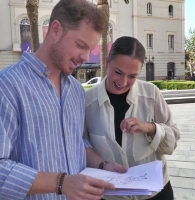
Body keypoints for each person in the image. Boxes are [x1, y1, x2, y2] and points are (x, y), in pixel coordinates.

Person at [0, 0, 127, 199]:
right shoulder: (7, 86)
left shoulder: (76, 90)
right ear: (56, 30)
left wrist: (104, 165)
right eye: (81, 45)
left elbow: (77, 142)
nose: (86, 57)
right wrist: (61, 183)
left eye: (90, 49)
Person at [84, 36, 180, 200]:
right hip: (110, 195)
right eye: (118, 72)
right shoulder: (87, 102)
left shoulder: (151, 94)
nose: (123, 82)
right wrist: (104, 165)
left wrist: (151, 128)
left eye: (132, 76)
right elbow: (82, 147)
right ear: (107, 62)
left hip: (156, 192)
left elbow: (172, 143)